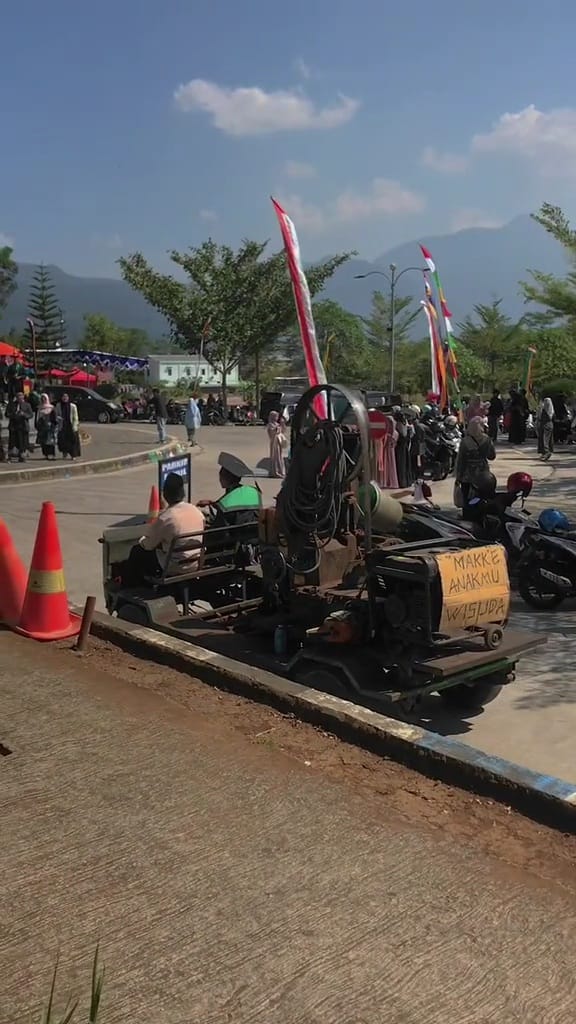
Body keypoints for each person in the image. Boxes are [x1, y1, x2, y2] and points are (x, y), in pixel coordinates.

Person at [126, 472, 205, 583]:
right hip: (195, 563)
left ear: (165, 495)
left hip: (173, 566)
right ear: (183, 492)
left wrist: (142, 540)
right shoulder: (196, 511)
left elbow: (148, 545)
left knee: (137, 551)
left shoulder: (165, 518)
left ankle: (129, 586)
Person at [455, 416, 496, 506]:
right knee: (483, 495)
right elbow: (492, 456)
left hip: (467, 475)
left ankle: (467, 513)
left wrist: (458, 476)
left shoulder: (465, 441)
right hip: (483, 473)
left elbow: (461, 460)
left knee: (466, 496)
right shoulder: (487, 439)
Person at [7, 392, 34, 462]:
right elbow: (7, 414)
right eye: (18, 396)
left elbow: (31, 414)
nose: (20, 398)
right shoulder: (11, 404)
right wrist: (14, 414)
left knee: (23, 442)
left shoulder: (27, 405)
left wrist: (24, 414)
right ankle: (12, 456)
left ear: (23, 397)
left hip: (23, 426)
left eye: (21, 396)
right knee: (13, 442)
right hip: (14, 426)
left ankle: (22, 456)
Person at [56, 393, 81, 459]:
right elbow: (56, 415)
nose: (65, 398)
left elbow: (75, 417)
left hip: (71, 426)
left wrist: (75, 425)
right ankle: (64, 453)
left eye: (66, 396)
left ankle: (73, 455)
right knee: (63, 441)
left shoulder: (73, 406)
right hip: (63, 426)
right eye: (63, 396)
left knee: (73, 441)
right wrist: (59, 418)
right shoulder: (58, 405)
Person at [36, 393, 58, 459]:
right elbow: (37, 418)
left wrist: (53, 425)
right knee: (43, 442)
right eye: (42, 398)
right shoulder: (39, 408)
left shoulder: (51, 408)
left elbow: (55, 418)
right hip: (42, 427)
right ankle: (45, 454)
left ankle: (52, 454)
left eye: (44, 398)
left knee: (50, 442)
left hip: (50, 426)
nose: (43, 400)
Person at [267, 410, 287, 479]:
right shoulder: (270, 424)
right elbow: (272, 432)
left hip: (279, 441)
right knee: (275, 456)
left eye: (277, 416)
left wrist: (283, 424)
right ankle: (275, 472)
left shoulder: (277, 424)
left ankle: (281, 471)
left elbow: (283, 431)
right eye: (275, 416)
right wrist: (277, 428)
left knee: (280, 456)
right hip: (274, 442)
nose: (277, 418)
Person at [537, 396, 555, 461]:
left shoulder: (546, 410)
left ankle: (546, 452)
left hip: (546, 425)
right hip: (548, 425)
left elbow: (541, 416)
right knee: (548, 439)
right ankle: (546, 452)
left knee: (544, 439)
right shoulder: (551, 410)